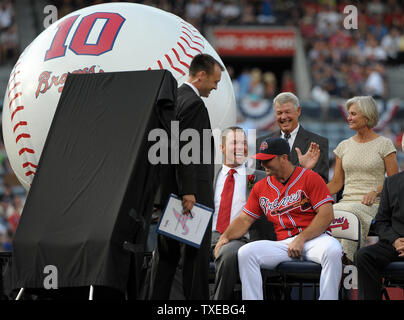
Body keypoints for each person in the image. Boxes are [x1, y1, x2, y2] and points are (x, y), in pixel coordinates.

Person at [214, 137, 342, 300]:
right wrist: (225, 236)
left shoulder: (310, 178)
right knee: (246, 253)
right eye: (261, 160)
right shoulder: (260, 187)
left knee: (333, 250)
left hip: (314, 240)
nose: (263, 164)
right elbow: (244, 219)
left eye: (268, 160)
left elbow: (326, 215)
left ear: (284, 158)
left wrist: (302, 238)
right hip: (283, 244)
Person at [149, 53, 224, 300]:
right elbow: (187, 151)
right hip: (191, 196)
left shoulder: (175, 98)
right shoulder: (193, 104)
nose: (215, 86)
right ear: (201, 75)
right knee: (195, 259)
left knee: (166, 258)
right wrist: (189, 192)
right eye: (215, 81)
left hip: (171, 192)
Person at [327, 96, 398, 262]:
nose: (348, 118)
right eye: (348, 114)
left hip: (373, 204)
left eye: (353, 114)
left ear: (366, 116)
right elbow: (337, 183)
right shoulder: (343, 146)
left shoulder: (385, 144)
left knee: (349, 214)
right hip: (346, 203)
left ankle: (347, 258)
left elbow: (395, 182)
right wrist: (313, 192)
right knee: (328, 212)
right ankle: (333, 259)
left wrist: (376, 191)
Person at [211, 126, 268, 300]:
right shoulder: (209, 175)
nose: (240, 147)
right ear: (222, 148)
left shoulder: (260, 178)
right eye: (234, 142)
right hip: (207, 237)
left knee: (228, 254)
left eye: (243, 143)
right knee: (168, 254)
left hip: (239, 239)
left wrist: (305, 169)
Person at [354, 135, 404, 300]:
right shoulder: (391, 183)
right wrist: (395, 241)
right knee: (363, 256)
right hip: (394, 243)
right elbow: (381, 222)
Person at [257, 92, 329, 183]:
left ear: (298, 111)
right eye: (279, 113)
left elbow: (322, 183)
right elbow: (258, 179)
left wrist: (306, 170)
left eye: (287, 112)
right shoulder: (261, 143)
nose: (283, 117)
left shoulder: (318, 143)